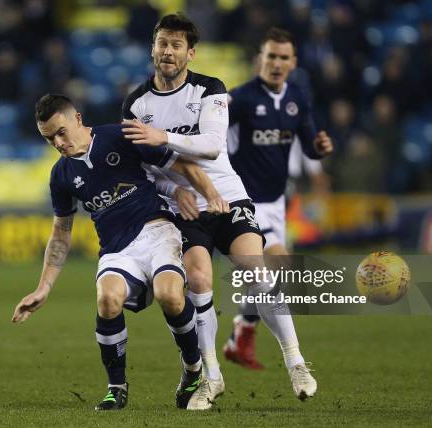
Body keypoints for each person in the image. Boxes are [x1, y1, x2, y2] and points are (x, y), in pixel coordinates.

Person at [121, 14, 324, 406]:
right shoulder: (136, 103)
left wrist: (162, 136)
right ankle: (212, 376)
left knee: (255, 267)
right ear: (153, 47)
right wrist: (171, 189)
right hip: (184, 207)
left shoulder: (210, 89)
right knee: (198, 280)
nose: (168, 51)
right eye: (162, 43)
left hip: (227, 195)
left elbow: (213, 145)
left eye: (176, 45)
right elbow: (141, 168)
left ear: (190, 53)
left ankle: (295, 361)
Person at [11, 93, 230, 411]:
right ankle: (116, 387)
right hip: (117, 250)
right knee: (107, 298)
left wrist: (210, 194)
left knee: (170, 294)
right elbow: (61, 232)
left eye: (61, 132)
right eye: (49, 139)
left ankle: (193, 369)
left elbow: (178, 162)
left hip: (158, 232)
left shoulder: (118, 136)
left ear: (78, 120)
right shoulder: (61, 176)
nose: (58, 143)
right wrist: (43, 287)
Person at [223, 28, 333, 374]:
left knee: (271, 278)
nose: (276, 63)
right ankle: (263, 344)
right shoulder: (240, 99)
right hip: (245, 203)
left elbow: (309, 141)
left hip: (276, 203)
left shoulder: (297, 98)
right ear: (261, 59)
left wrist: (321, 146)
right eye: (271, 56)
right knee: (280, 266)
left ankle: (242, 333)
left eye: (283, 57)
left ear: (293, 62)